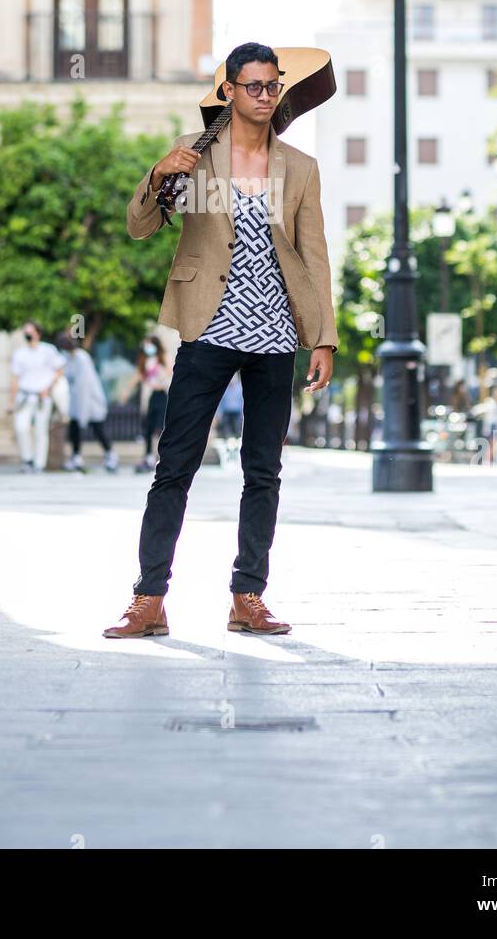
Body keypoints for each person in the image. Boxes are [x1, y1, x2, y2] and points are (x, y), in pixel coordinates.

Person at [104, 41, 337, 640]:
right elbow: (141, 226)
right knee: (173, 465)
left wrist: (323, 338)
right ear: (228, 91)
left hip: (276, 334)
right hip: (208, 328)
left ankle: (247, 596)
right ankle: (148, 599)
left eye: (272, 86)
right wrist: (158, 174)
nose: (264, 96)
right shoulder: (198, 159)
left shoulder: (301, 168)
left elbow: (314, 256)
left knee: (263, 471)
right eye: (252, 86)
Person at [55, 331, 118, 474]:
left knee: (98, 429)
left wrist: (82, 413)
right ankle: (76, 456)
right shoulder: (67, 358)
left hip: (90, 401)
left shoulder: (82, 358)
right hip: (76, 401)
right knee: (75, 429)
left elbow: (84, 386)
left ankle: (110, 455)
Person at [8, 321, 66, 474]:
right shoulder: (19, 353)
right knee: (21, 427)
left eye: (30, 331)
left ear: (38, 333)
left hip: (42, 396)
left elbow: (59, 371)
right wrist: (11, 401)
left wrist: (48, 388)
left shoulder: (48, 350)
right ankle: (28, 459)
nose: (27, 334)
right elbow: (16, 379)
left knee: (41, 430)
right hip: (25, 395)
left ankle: (39, 464)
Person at [117, 336, 172, 473]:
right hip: (151, 396)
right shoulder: (145, 361)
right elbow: (138, 377)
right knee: (148, 428)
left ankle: (162, 456)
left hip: (163, 395)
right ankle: (148, 456)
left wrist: (159, 380)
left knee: (160, 427)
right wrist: (126, 391)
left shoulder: (164, 357)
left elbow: (170, 371)